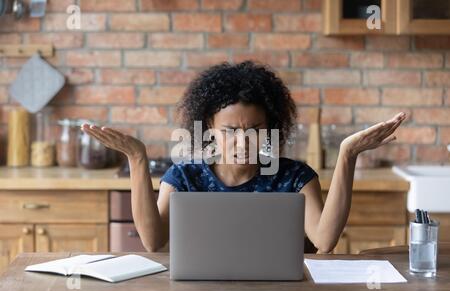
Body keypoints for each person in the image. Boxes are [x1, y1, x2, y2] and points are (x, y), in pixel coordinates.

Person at [81, 61, 405, 254]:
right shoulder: (184, 177)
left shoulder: (294, 177)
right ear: (209, 127)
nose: (243, 140)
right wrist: (137, 159)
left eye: (255, 129)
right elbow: (153, 242)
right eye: (230, 130)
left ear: (271, 127)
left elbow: (325, 240)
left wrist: (347, 155)